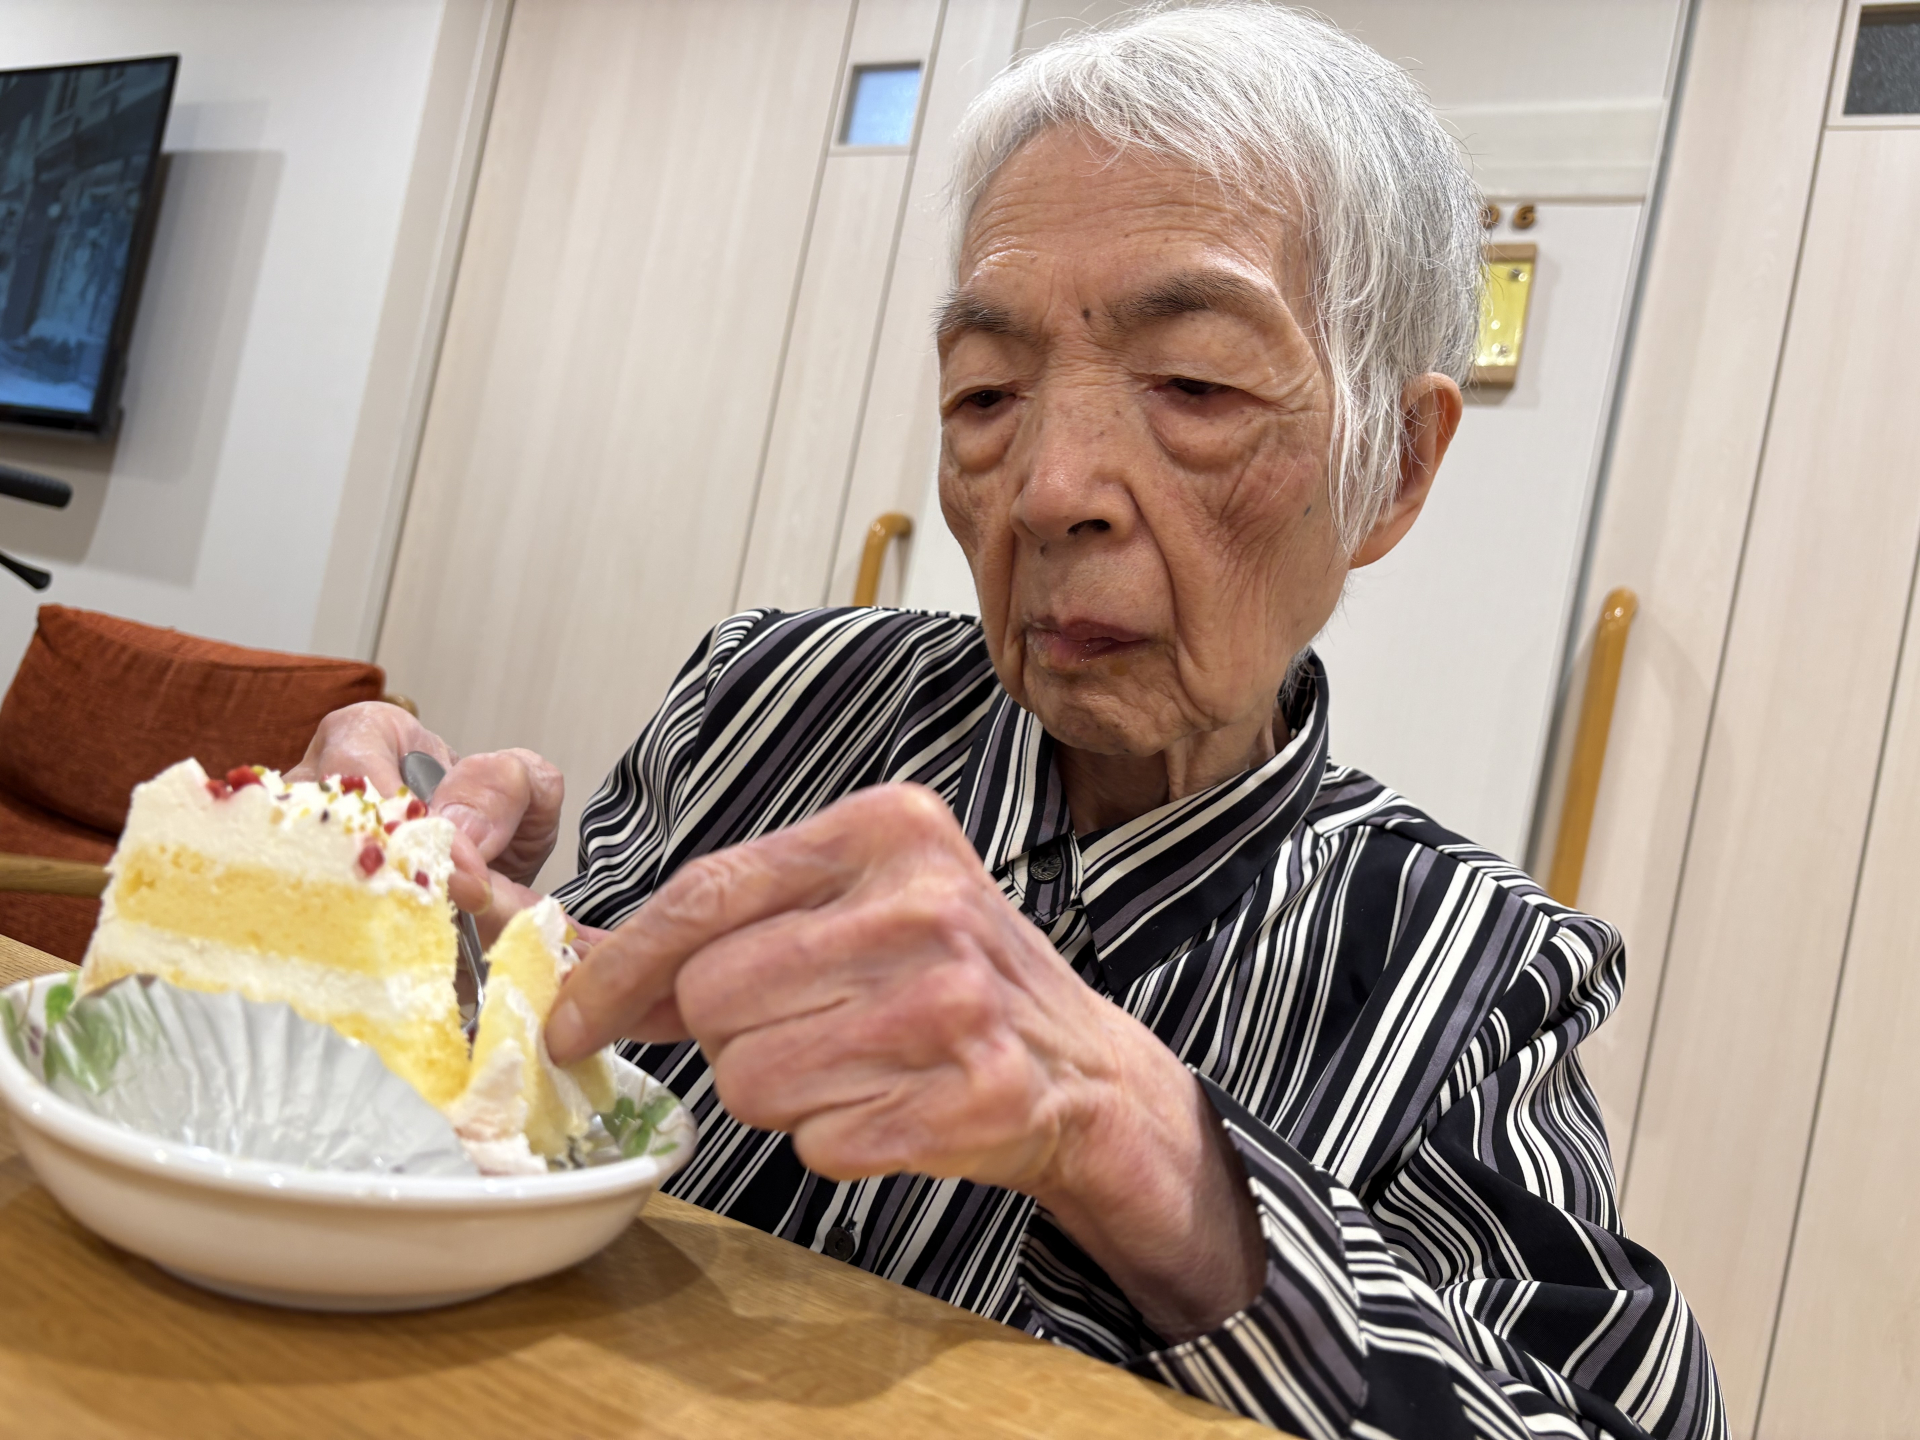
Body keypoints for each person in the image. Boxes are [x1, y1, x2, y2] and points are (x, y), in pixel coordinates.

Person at [295, 5, 1723, 1435]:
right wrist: (410, 921)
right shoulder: (768, 703)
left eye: (1195, 385)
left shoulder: (1466, 972)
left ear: (1395, 464)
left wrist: (1144, 1147)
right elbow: (529, 1123)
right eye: (988, 392)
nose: (1049, 490)